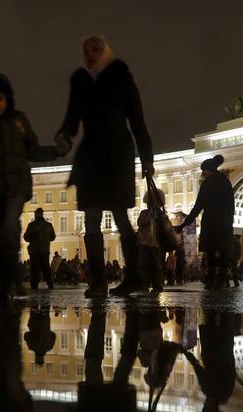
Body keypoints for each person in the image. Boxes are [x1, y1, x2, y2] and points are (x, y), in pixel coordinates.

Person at [55, 36, 154, 298]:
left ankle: (133, 278)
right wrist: (64, 136)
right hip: (90, 158)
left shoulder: (121, 76)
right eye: (85, 50)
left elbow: (137, 119)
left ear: (106, 52)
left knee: (121, 218)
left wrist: (147, 158)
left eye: (96, 50)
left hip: (117, 155)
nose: (90, 54)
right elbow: (71, 119)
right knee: (91, 219)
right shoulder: (80, 81)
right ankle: (98, 282)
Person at [0, 73, 57, 298]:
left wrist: (56, 150)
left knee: (9, 227)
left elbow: (33, 150)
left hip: (16, 187)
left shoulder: (19, 120)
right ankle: (7, 281)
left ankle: (12, 281)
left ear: (8, 99)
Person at [175, 155, 234, 290]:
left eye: (204, 170)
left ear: (210, 170)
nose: (202, 173)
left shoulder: (208, 184)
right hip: (222, 223)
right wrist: (229, 222)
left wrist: (184, 224)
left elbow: (198, 206)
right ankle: (219, 280)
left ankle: (213, 280)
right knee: (221, 252)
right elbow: (231, 205)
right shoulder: (224, 181)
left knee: (212, 252)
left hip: (212, 223)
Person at [137, 188, 166, 293]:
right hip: (145, 243)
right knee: (144, 264)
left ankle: (157, 285)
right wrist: (150, 216)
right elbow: (140, 222)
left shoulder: (161, 214)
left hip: (156, 244)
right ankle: (144, 284)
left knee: (156, 265)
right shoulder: (145, 213)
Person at [23, 208, 56, 290]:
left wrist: (28, 236)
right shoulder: (48, 225)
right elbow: (53, 237)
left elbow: (27, 238)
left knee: (34, 268)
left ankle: (34, 285)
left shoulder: (32, 225)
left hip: (34, 250)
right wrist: (46, 239)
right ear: (42, 214)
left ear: (35, 214)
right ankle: (50, 283)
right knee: (46, 267)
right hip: (45, 250)